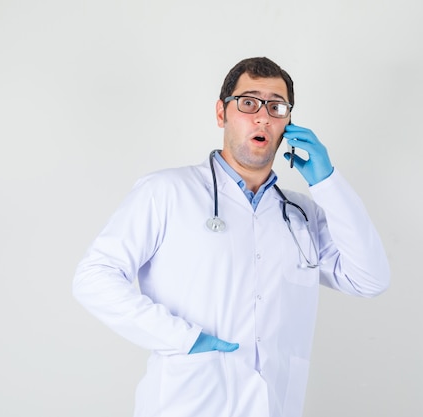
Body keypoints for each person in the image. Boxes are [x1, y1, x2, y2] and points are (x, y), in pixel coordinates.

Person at [73, 56, 390, 417]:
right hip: (189, 403)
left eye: (276, 107)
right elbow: (94, 277)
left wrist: (327, 182)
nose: (262, 117)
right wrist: (184, 340)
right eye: (249, 102)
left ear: (288, 122)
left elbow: (370, 279)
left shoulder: (301, 215)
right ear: (222, 114)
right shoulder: (166, 192)